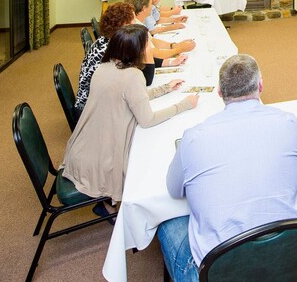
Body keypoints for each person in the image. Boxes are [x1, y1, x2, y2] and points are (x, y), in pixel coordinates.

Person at [159, 54, 297, 279]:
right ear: (261, 86)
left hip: (218, 267)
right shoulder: (290, 122)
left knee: (167, 222)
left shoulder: (193, 138)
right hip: (284, 255)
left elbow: (174, 190)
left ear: (219, 93)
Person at [61, 24, 197, 204]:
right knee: (155, 150)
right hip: (101, 162)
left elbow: (127, 96)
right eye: (148, 45)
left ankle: (106, 207)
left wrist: (164, 88)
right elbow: (147, 120)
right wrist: (183, 105)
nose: (150, 48)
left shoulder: (104, 68)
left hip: (81, 151)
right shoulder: (133, 75)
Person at [75, 2, 136, 113]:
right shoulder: (110, 52)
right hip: (93, 110)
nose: (137, 25)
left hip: (100, 101)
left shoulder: (108, 40)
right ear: (123, 25)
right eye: (133, 22)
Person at [124, 0, 193, 66]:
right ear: (144, 8)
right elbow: (156, 54)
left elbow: (153, 41)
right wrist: (181, 48)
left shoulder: (139, 23)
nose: (152, 6)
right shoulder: (136, 29)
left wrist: (174, 45)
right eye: (150, 4)